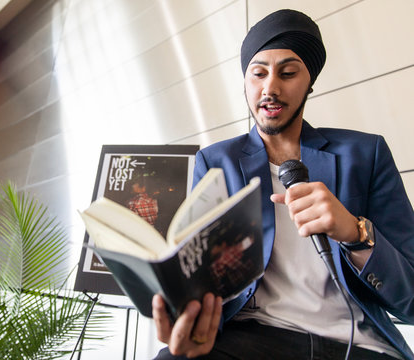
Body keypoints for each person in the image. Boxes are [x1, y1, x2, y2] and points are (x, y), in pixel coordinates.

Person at [152, 9, 414, 360]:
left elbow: (411, 298)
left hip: (359, 343)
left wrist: (355, 232)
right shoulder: (216, 162)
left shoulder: (365, 154)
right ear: (244, 82)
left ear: (309, 83)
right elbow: (198, 276)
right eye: (258, 73)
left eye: (288, 73)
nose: (270, 88)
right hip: (254, 337)